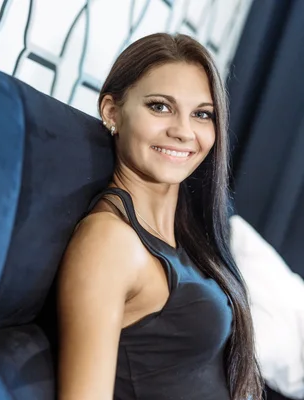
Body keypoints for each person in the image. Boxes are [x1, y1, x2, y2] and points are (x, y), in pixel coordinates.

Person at [56, 33, 263, 400]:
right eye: (160, 107)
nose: (183, 132)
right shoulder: (110, 242)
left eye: (202, 114)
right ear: (111, 111)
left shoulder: (186, 234)